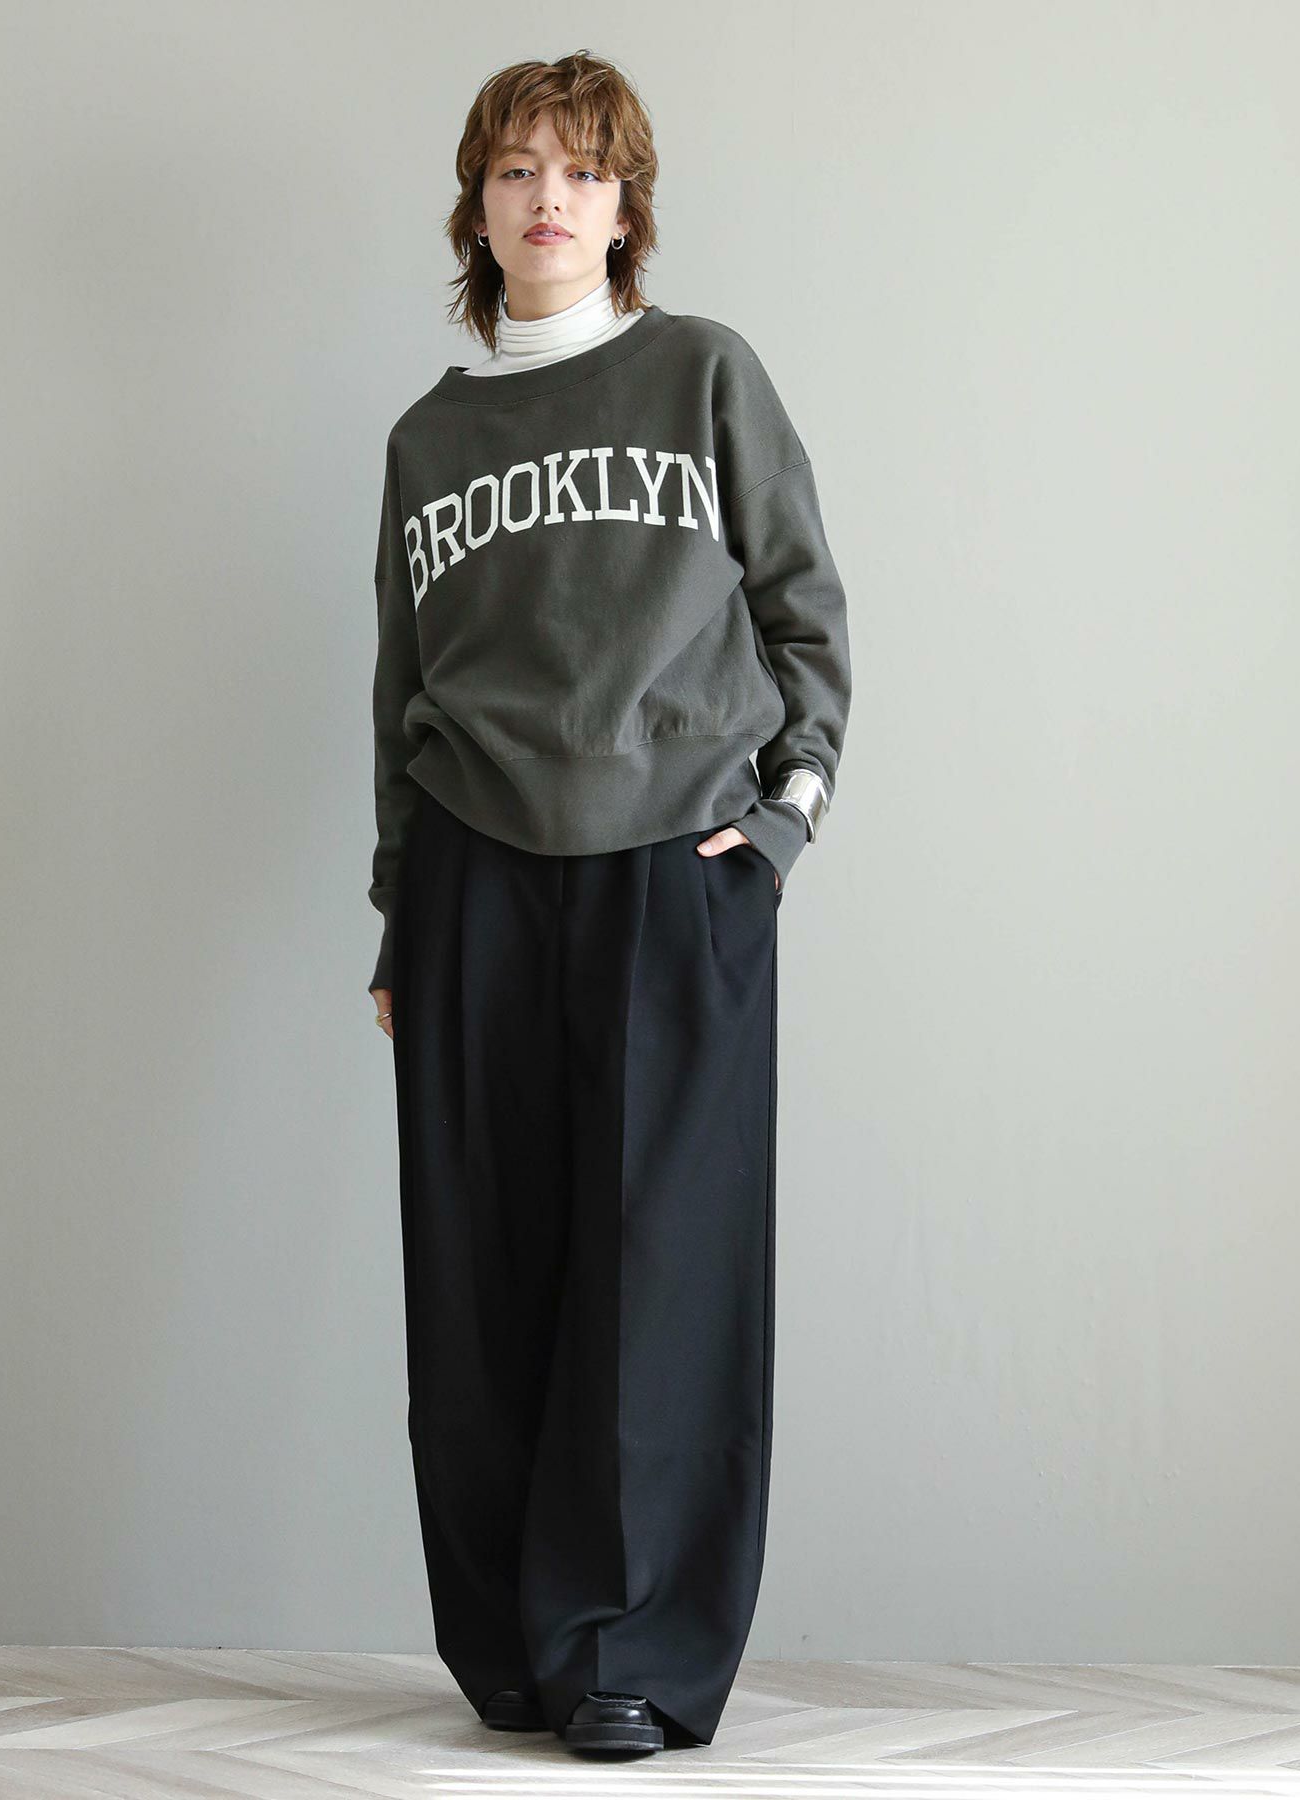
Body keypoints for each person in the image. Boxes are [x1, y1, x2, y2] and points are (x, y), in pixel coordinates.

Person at [365, 49, 853, 1760]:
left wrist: (783, 824)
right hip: (471, 874)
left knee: (661, 1276)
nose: (548, 199)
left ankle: (629, 1654)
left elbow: (805, 616)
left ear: (628, 207)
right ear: (477, 206)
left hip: (674, 866)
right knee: (482, 1274)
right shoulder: (430, 440)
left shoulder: (703, 374)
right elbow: (401, 692)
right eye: (517, 170)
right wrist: (398, 913)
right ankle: (513, 1650)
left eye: (581, 171)